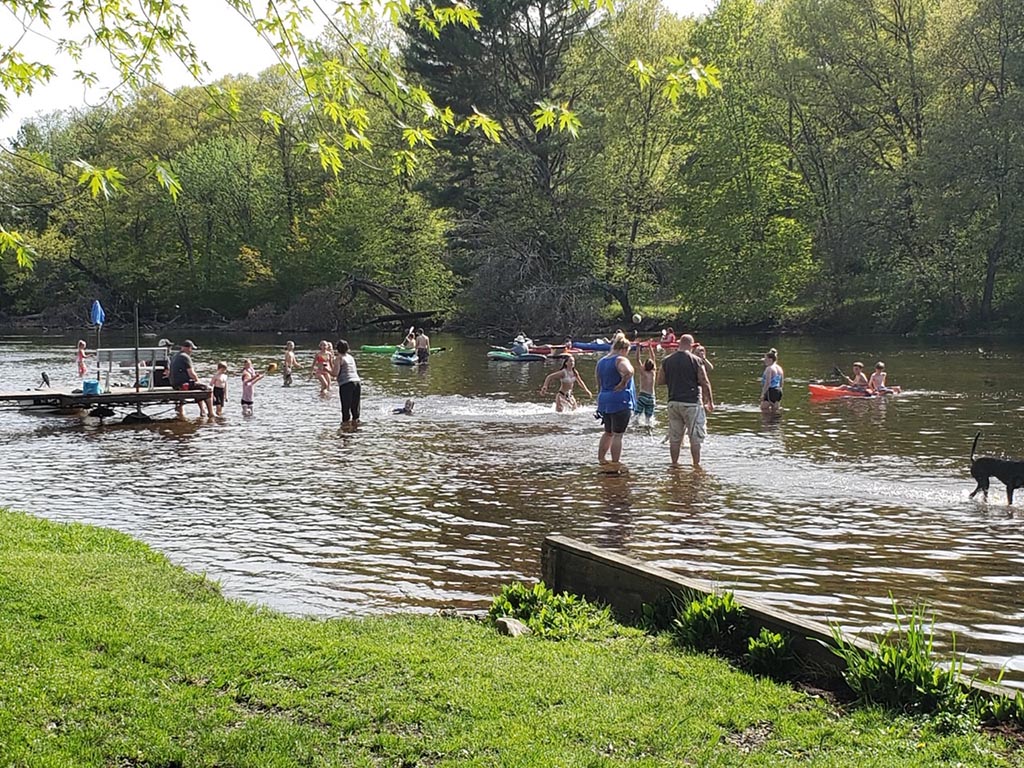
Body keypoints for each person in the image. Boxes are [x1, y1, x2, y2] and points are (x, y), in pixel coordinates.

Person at [657, 334, 714, 468]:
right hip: (691, 403)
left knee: (675, 438)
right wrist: (710, 401)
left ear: (679, 344)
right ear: (691, 345)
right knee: (695, 437)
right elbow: (705, 382)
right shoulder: (696, 360)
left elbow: (660, 381)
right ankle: (696, 466)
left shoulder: (666, 360)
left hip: (673, 402)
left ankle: (675, 465)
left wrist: (674, 379)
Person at [595, 336, 636, 467]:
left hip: (604, 399)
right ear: (624, 349)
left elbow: (598, 382)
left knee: (608, 432)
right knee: (618, 435)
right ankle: (615, 462)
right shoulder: (620, 359)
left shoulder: (601, 361)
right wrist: (623, 383)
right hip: (620, 399)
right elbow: (628, 371)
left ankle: (601, 459)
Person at [168, 340, 211, 417]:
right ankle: (210, 412)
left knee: (197, 387)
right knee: (207, 389)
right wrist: (197, 380)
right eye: (191, 349)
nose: (191, 351)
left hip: (174, 384)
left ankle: (181, 412)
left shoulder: (175, 356)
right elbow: (191, 374)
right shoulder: (185, 357)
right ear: (187, 348)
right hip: (183, 384)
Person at [332, 339, 361, 424]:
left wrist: (326, 369)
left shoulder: (339, 358)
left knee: (346, 407)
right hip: (357, 381)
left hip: (346, 383)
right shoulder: (350, 357)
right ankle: (356, 427)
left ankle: (345, 429)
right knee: (355, 407)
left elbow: (335, 374)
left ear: (337, 349)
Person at [633, 342, 657, 427]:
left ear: (644, 366)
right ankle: (648, 431)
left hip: (643, 395)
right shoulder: (653, 372)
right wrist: (650, 347)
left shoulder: (643, 372)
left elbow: (637, 359)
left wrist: (638, 348)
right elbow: (653, 358)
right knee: (649, 419)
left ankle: (635, 429)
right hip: (651, 397)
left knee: (636, 416)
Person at [760, 348, 783, 414]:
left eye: (765, 359)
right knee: (775, 411)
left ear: (770, 359)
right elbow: (781, 383)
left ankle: (768, 424)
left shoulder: (769, 369)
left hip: (770, 391)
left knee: (763, 411)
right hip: (778, 391)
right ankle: (775, 424)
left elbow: (767, 383)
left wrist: (763, 394)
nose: (764, 360)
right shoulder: (780, 368)